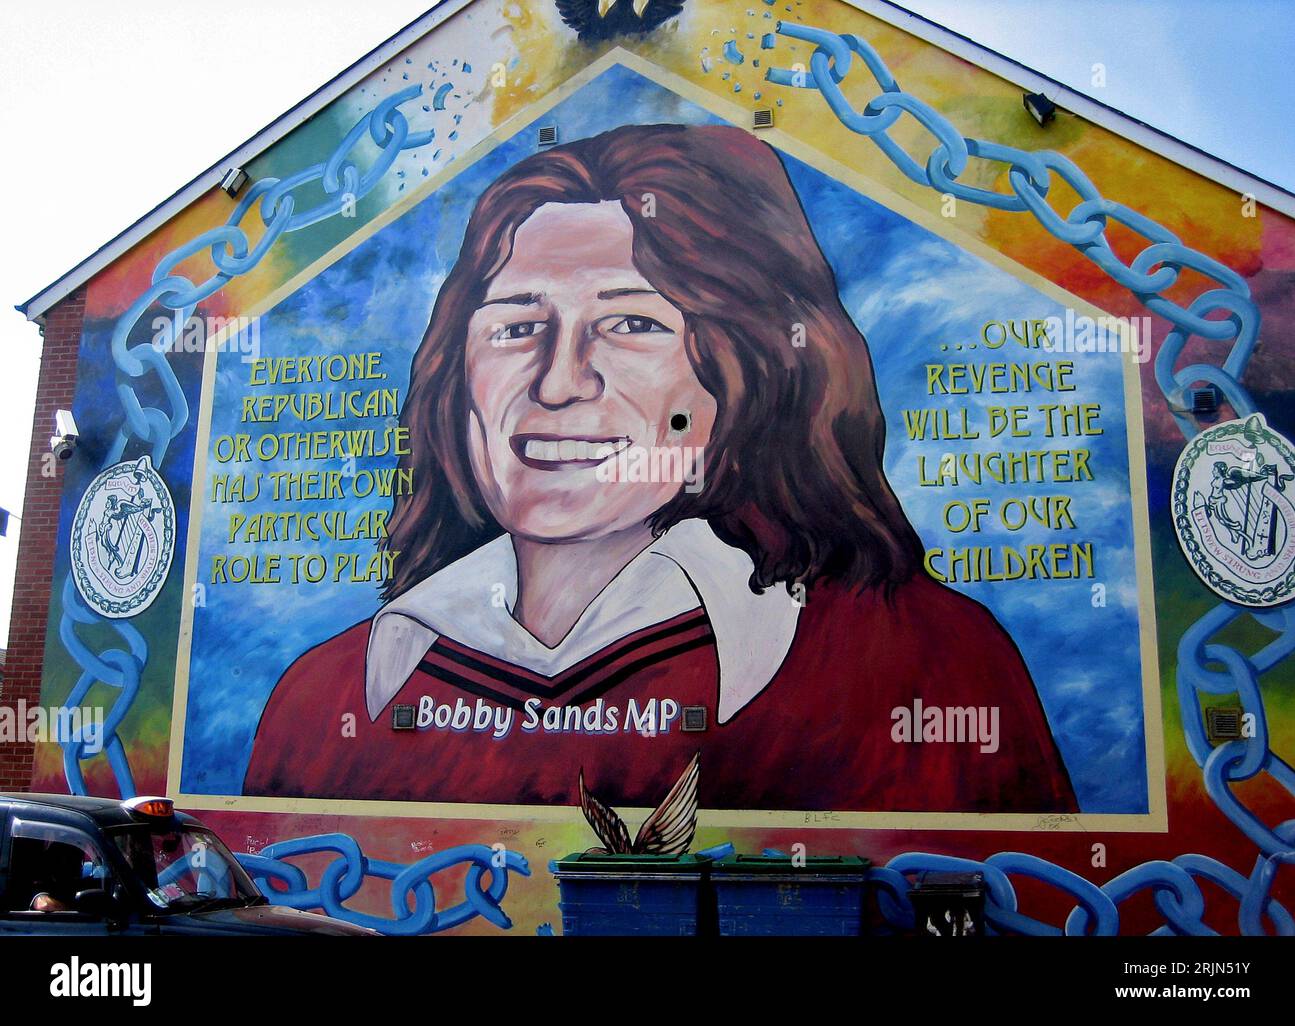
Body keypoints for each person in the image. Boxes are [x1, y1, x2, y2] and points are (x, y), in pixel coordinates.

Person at [245, 123, 1077, 814]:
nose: (560, 382)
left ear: (745, 366)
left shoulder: (920, 664)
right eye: (514, 327)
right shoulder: (328, 699)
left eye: (631, 325)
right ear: (455, 371)